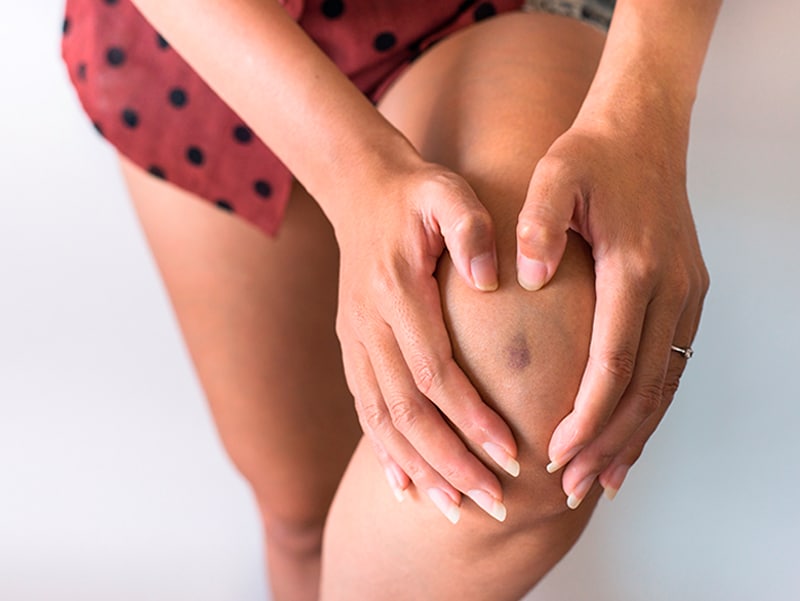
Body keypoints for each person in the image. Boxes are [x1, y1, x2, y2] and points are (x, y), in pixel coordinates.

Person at [61, 0, 718, 599]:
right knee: (299, 516)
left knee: (523, 378)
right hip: (209, 36)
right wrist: (351, 173)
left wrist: (650, 108)